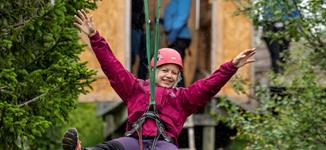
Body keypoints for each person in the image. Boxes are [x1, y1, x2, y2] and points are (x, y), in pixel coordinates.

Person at [63, 10, 256, 150]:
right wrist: (95, 37)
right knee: (111, 148)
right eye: (164, 70)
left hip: (164, 144)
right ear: (153, 71)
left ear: (178, 78)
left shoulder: (183, 98)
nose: (169, 75)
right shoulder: (135, 88)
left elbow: (208, 86)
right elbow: (113, 68)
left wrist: (232, 66)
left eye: (174, 73)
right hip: (135, 141)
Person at [255, 0, 300, 74]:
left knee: (284, 51)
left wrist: (296, 25)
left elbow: (295, 10)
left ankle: (282, 72)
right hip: (270, 25)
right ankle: (277, 73)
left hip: (285, 25)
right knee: (274, 51)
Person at [162, 0, 192, 86]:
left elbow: (182, 17)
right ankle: (178, 93)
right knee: (174, 67)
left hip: (180, 36)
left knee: (176, 68)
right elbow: (173, 16)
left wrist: (173, 34)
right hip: (175, 35)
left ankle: (180, 95)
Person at [131, 0, 148, 80]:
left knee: (144, 57)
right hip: (133, 29)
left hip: (139, 29)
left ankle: (141, 80)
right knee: (132, 57)